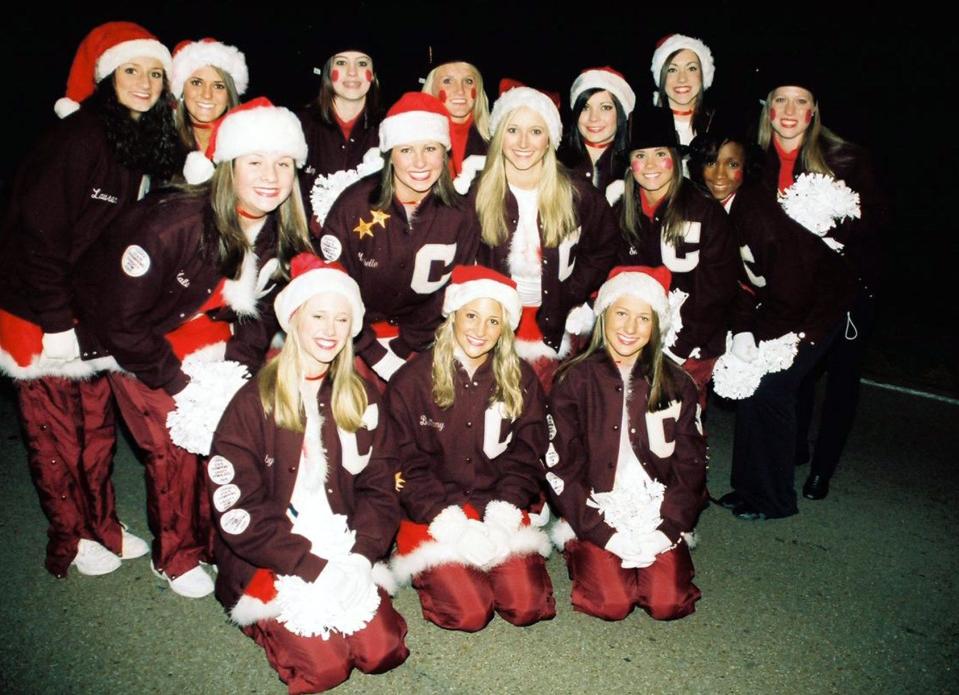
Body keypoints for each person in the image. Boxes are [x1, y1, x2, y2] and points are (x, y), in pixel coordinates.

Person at [77, 97, 314, 596]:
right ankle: (175, 555)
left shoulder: (282, 227)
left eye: (283, 163)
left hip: (212, 342)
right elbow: (121, 321)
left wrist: (238, 371)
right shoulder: (173, 223)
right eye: (255, 162)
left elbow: (261, 312)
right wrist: (177, 381)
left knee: (231, 435)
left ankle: (213, 539)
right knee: (171, 445)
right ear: (228, 167)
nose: (271, 176)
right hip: (140, 343)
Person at [0, 21, 178, 578]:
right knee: (55, 434)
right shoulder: (77, 138)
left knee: (96, 432)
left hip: (89, 314)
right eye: (132, 71)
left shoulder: (137, 139)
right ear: (107, 78)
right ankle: (69, 535)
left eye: (154, 73)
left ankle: (100, 522)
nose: (145, 83)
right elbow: (36, 238)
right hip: (38, 312)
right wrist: (54, 321)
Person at [208, 253, 409, 694]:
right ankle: (261, 622)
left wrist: (362, 556)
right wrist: (310, 566)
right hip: (272, 549)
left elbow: (381, 485)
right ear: (294, 318)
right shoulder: (251, 402)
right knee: (325, 670)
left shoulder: (362, 398)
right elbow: (238, 510)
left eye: (342, 319)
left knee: (383, 652)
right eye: (318, 315)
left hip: (342, 541)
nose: (329, 330)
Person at [716, 67, 870, 519]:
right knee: (749, 381)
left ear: (813, 110)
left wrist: (853, 275)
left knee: (775, 389)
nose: (788, 111)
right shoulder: (753, 162)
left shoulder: (843, 160)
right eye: (779, 100)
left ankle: (776, 497)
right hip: (775, 298)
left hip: (827, 304)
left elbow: (872, 236)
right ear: (768, 109)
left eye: (799, 101)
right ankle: (747, 487)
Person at [386, 265, 554, 632]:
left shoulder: (521, 378)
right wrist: (451, 524)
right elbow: (403, 462)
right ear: (453, 316)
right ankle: (443, 573)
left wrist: (505, 511)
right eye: (472, 316)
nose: (480, 331)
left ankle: (488, 562)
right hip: (434, 509)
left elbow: (530, 450)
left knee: (526, 605)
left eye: (493, 321)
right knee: (470, 614)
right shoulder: (412, 380)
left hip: (496, 503)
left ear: (505, 327)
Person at [547, 266, 706, 622]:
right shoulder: (573, 380)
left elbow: (691, 465)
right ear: (604, 316)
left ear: (656, 327)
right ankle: (581, 548)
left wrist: (667, 528)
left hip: (655, 504)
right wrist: (601, 530)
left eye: (642, 318)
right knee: (612, 604)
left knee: (668, 603)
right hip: (597, 503)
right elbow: (560, 465)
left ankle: (657, 556)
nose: (630, 328)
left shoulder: (678, 383)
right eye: (621, 313)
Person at [317, 92, 480, 387]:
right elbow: (331, 286)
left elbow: (457, 286)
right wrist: (373, 352)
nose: (420, 162)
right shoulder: (354, 206)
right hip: (350, 342)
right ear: (389, 154)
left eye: (430, 148)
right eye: (406, 150)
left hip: (421, 345)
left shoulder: (461, 215)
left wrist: (407, 345)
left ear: (445, 152)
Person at [472, 85, 619, 390]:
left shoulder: (577, 192)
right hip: (493, 328)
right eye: (513, 130)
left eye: (536, 131)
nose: (523, 142)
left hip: (557, 322)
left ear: (550, 137)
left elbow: (604, 247)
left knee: (552, 410)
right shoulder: (477, 193)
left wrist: (573, 293)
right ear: (499, 135)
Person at [610, 106, 739, 409]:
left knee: (677, 432)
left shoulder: (704, 210)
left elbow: (716, 292)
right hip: (637, 338)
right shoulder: (621, 212)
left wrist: (676, 351)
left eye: (659, 153)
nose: (651, 164)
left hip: (692, 343)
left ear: (675, 158)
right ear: (630, 164)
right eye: (640, 156)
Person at [298, 46, 381, 212]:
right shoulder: (298, 126)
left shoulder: (390, 128)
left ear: (372, 75)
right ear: (328, 71)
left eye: (362, 63)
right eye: (342, 63)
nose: (352, 72)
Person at [561, 66, 636, 192]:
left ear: (620, 113)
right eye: (585, 108)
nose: (593, 118)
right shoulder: (554, 161)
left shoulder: (636, 165)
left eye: (605, 108)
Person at [171, 37, 248, 155]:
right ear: (181, 89)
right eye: (196, 83)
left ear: (229, 95)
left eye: (218, 86)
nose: (207, 95)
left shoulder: (249, 141)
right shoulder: (160, 139)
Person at [421, 58, 490, 176]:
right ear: (431, 87)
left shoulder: (498, 141)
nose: (460, 91)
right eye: (447, 81)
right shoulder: (412, 138)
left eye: (468, 81)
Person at [650, 34, 716, 147]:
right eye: (672, 69)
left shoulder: (717, 125)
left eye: (691, 68)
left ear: (703, 74)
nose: (682, 79)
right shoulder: (645, 126)